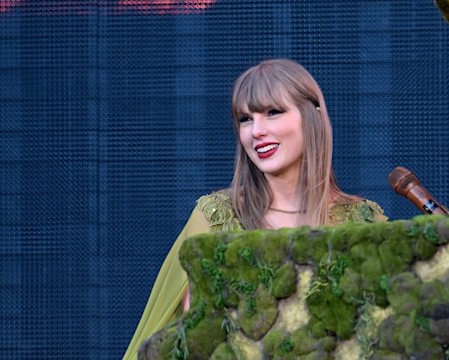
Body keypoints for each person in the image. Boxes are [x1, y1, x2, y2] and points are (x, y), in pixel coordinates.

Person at [122, 58, 388, 360]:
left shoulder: (365, 223)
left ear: (312, 117)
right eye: (245, 119)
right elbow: (193, 341)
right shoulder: (215, 218)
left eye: (273, 112)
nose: (256, 131)